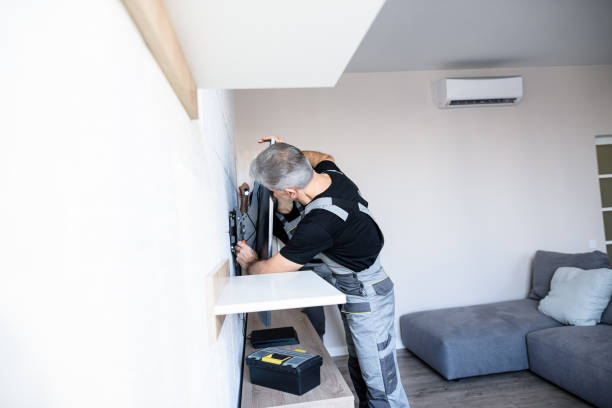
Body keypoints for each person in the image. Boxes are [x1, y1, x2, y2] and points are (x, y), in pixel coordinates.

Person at [236, 137, 410, 408]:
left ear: (290, 192)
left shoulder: (320, 223)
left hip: (367, 293)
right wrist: (285, 155)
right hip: (359, 289)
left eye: (273, 190)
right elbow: (323, 154)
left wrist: (249, 262)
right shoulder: (334, 176)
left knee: (382, 384)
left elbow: (270, 270)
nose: (271, 194)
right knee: (363, 371)